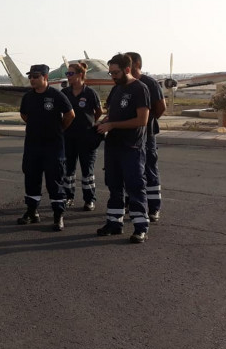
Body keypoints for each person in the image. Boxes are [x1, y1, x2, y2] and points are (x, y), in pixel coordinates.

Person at [96, 53, 151, 243]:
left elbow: (142, 120)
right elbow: (111, 114)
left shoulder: (140, 89)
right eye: (110, 73)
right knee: (114, 186)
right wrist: (104, 121)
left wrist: (112, 125)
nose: (113, 76)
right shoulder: (116, 89)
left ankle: (140, 227)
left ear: (127, 69)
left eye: (116, 73)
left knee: (135, 187)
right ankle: (114, 223)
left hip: (131, 147)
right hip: (113, 146)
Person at [18, 64, 75, 231]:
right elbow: (24, 114)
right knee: (31, 179)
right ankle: (32, 212)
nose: (32, 79)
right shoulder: (28, 97)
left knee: (55, 181)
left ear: (45, 77)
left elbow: (70, 115)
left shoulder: (56, 95)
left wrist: (59, 129)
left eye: (36, 76)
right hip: (33, 145)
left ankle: (58, 215)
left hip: (53, 146)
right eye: (30, 76)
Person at [125, 52, 166, 222]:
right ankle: (132, 202)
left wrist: (147, 121)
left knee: (149, 169)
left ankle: (154, 207)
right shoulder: (125, 83)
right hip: (129, 134)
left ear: (136, 64)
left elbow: (160, 107)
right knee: (132, 170)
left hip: (147, 134)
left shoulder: (149, 83)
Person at [61, 62, 102, 211]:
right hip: (68, 137)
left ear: (80, 74)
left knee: (87, 171)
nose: (68, 76)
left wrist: (89, 123)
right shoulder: (64, 93)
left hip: (86, 137)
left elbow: (98, 112)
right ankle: (68, 197)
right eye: (67, 74)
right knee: (68, 170)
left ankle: (89, 200)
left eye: (71, 73)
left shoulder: (90, 93)